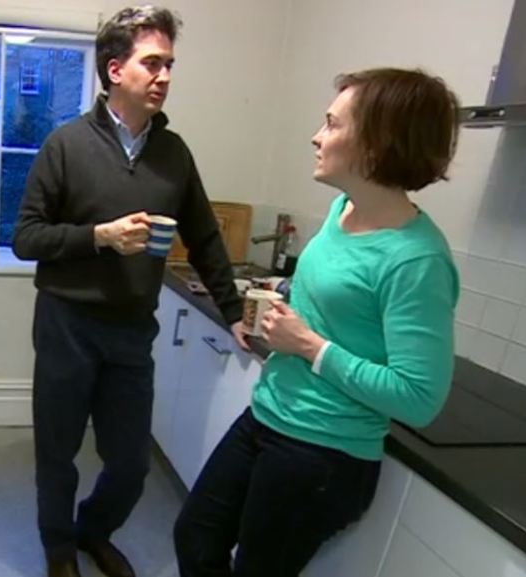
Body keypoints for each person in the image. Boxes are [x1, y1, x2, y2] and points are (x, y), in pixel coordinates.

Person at [173, 67, 461, 576]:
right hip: (267, 416)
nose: (316, 135)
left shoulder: (416, 261)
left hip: (322, 454)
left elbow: (420, 398)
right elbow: (335, 305)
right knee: (195, 537)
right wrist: (285, 310)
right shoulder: (340, 211)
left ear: (377, 144)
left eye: (332, 124)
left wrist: (310, 347)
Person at [12, 6, 245, 577]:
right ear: (115, 70)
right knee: (58, 452)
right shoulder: (65, 146)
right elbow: (26, 238)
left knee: (131, 462)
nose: (164, 75)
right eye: (152, 63)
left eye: (169, 64)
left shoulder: (175, 154)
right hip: (67, 323)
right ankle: (59, 547)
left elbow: (207, 237)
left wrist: (235, 311)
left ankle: (93, 530)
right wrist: (101, 237)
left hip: (133, 330)